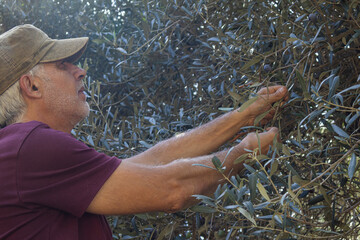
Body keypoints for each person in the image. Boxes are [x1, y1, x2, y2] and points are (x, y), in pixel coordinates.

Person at [0, 24, 288, 240]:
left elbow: (149, 164)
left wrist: (243, 115)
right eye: (63, 65)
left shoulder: (19, 152)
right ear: (32, 86)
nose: (80, 71)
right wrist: (247, 151)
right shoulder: (32, 147)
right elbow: (171, 189)